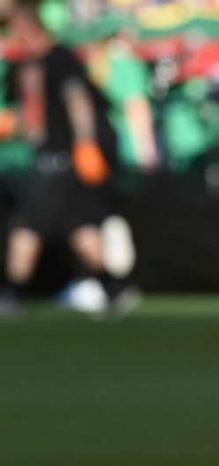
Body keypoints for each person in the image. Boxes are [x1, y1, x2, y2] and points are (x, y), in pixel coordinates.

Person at [0, 3, 132, 317]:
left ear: (31, 29)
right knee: (81, 228)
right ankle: (114, 287)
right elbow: (30, 125)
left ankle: (13, 293)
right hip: (49, 158)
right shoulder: (24, 68)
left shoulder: (60, 59)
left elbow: (79, 103)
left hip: (60, 161)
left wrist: (85, 144)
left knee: (26, 228)